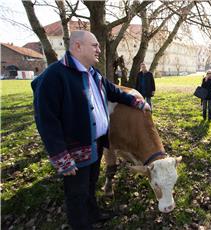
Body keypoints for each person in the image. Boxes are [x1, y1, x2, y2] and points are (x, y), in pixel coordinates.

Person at [31, 30, 151, 229]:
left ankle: (93, 214)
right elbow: (47, 122)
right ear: (77, 46)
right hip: (74, 152)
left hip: (95, 144)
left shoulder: (93, 73)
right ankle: (81, 224)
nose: (99, 49)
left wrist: (138, 103)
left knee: (90, 185)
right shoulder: (54, 76)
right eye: (94, 45)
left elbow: (114, 91)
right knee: (76, 194)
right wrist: (61, 158)